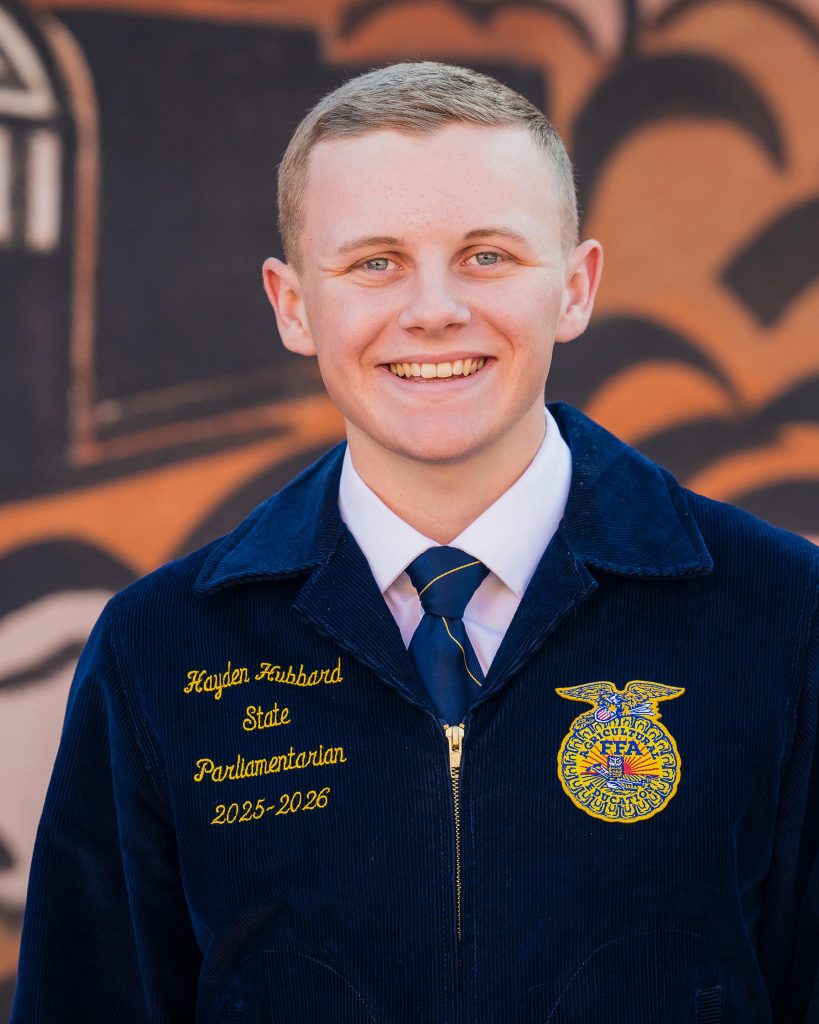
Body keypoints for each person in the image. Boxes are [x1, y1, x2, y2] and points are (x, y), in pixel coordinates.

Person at [11, 62, 819, 1024]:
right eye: (373, 262)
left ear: (573, 286)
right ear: (293, 304)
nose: (433, 308)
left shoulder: (781, 612)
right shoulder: (161, 648)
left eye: (487, 256)